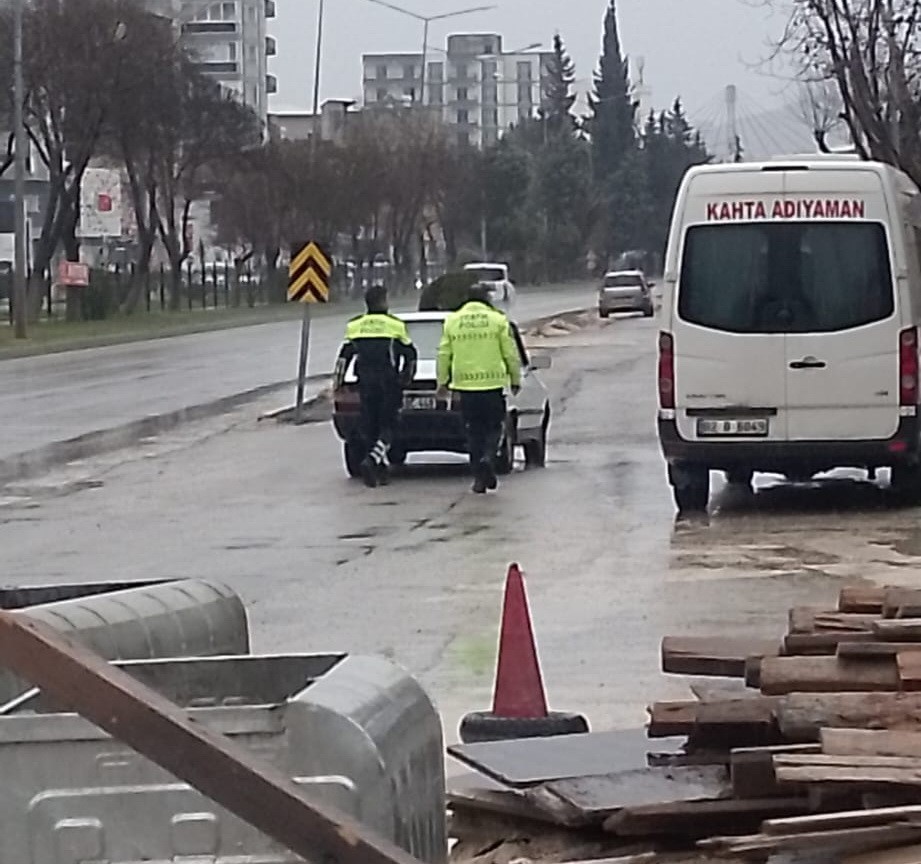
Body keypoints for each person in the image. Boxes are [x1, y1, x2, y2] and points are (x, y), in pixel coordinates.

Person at [436, 283, 522, 494]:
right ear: (486, 299)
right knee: (494, 427)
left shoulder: (453, 321)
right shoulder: (497, 320)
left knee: (473, 431)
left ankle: (478, 478)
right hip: (492, 386)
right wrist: (515, 378)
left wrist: (442, 382)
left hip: (466, 387)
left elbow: (444, 353)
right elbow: (510, 353)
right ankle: (488, 458)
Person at [334, 284, 417, 488]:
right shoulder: (394, 325)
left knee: (370, 426)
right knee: (389, 425)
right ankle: (372, 460)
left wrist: (338, 383)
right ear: (383, 302)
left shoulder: (355, 326)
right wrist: (406, 377)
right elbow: (410, 354)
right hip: (388, 383)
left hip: (365, 384)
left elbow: (343, 358)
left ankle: (379, 468)